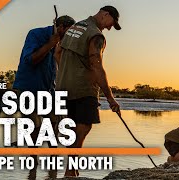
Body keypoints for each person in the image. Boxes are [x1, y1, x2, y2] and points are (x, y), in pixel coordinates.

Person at [55, 6, 121, 177]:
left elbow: (57, 52)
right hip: (83, 89)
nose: (109, 28)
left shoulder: (74, 28)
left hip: (62, 87)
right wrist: (110, 98)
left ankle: (72, 170)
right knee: (83, 128)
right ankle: (70, 171)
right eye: (111, 24)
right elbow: (96, 65)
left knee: (73, 129)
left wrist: (65, 72)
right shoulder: (96, 35)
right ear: (105, 15)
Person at [12, 15, 75, 160]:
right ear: (60, 28)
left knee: (54, 122)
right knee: (34, 125)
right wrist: (50, 45)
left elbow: (61, 66)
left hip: (49, 89)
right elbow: (30, 60)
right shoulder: (35, 34)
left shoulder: (64, 42)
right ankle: (32, 162)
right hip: (29, 87)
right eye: (69, 32)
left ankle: (53, 160)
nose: (70, 37)